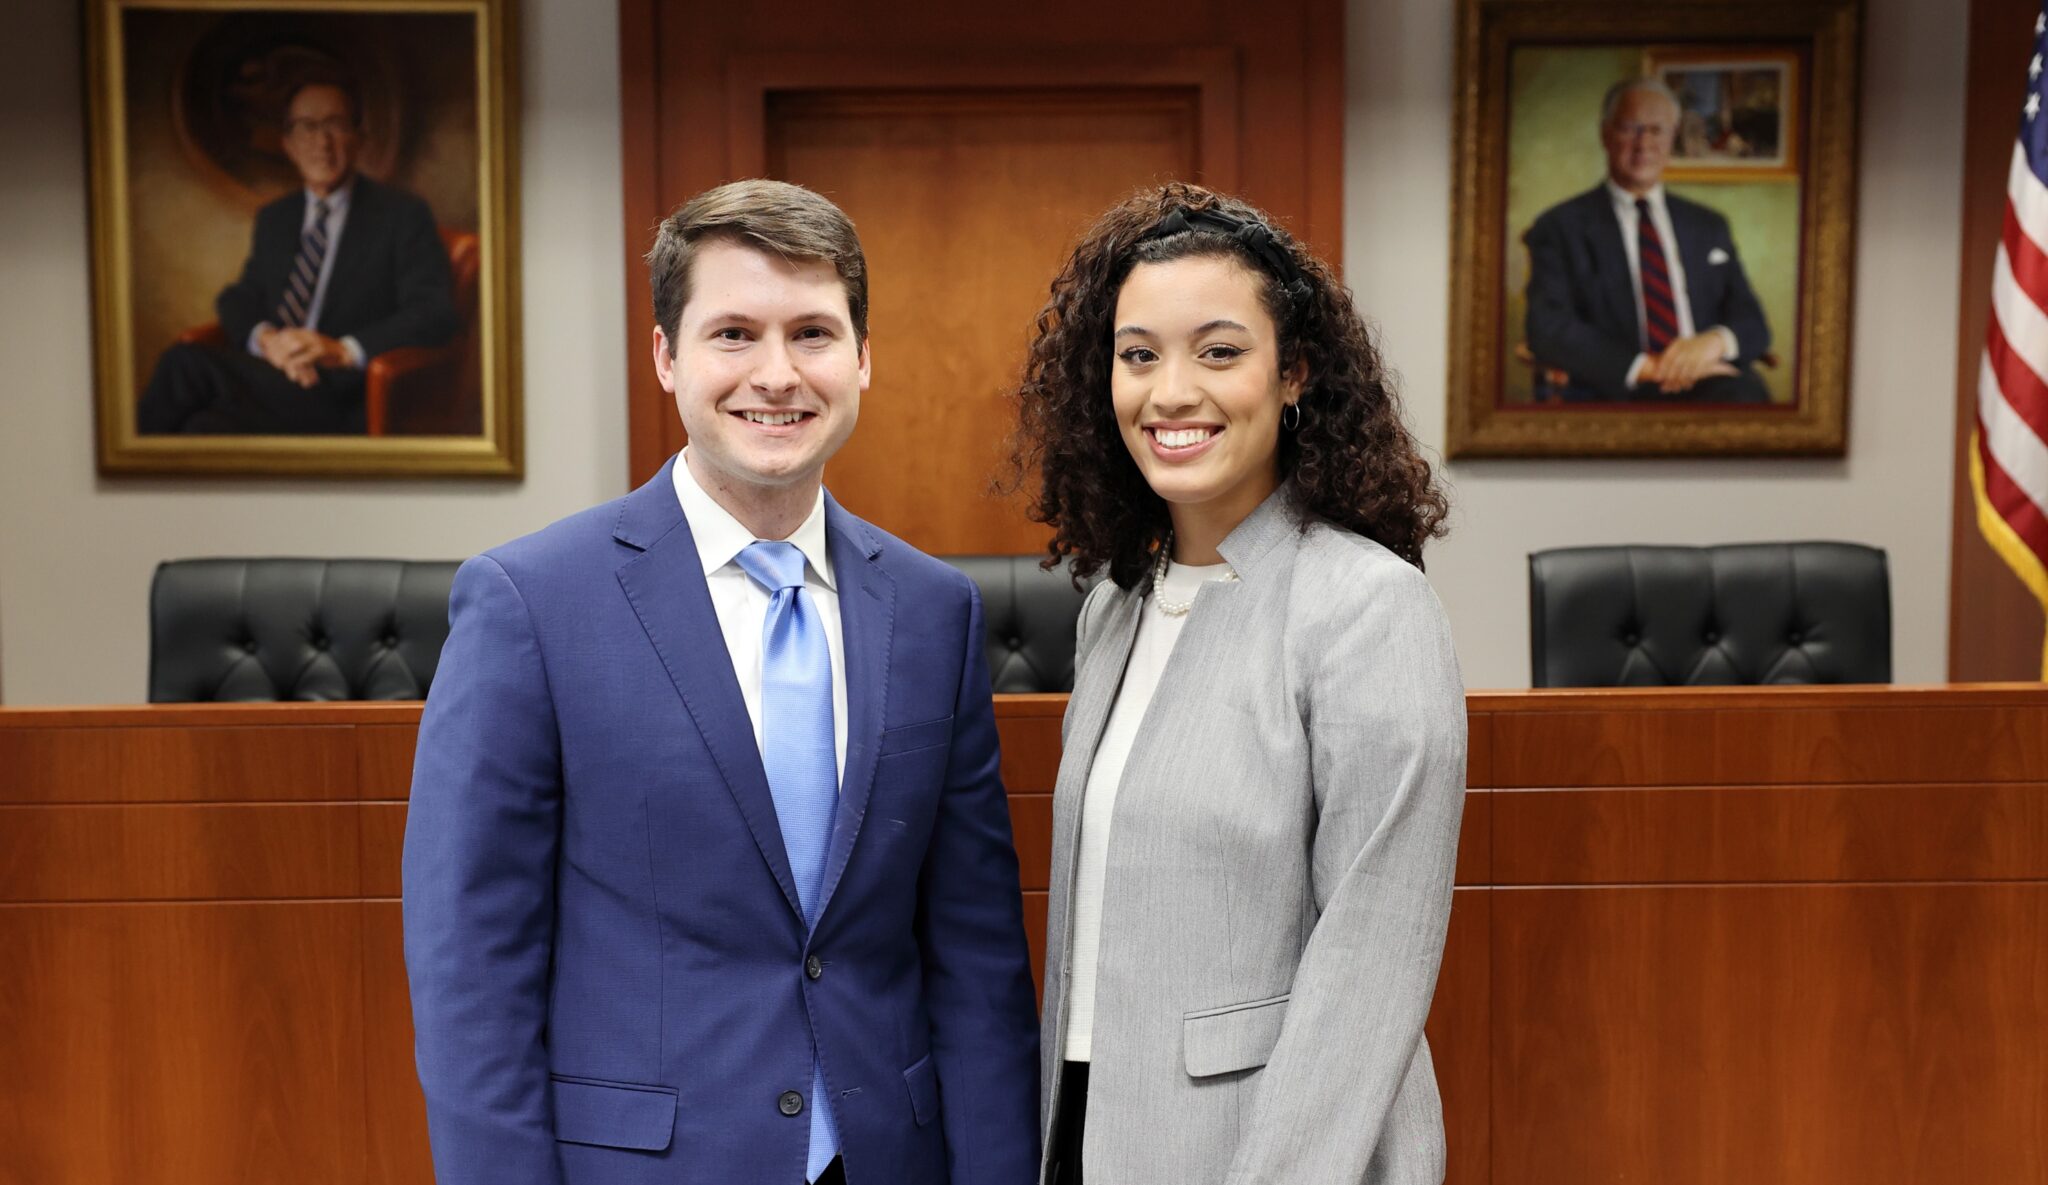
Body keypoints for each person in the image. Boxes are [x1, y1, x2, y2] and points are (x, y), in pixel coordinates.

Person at [403, 180, 1040, 1185]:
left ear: (864, 359)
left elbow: (977, 963)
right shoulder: (529, 604)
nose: (776, 375)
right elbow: (470, 979)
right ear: (666, 357)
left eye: (814, 334)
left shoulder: (932, 612)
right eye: (734, 333)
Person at [1010, 184, 1467, 1184]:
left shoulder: (1367, 608)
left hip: (1275, 1151)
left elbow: (1370, 965)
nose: (1170, 392)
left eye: (1217, 352)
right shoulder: (1114, 609)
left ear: (1292, 371)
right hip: (1090, 1132)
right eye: (1138, 356)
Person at [134, 71, 457, 434]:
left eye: (335, 125)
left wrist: (341, 349)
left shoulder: (401, 215)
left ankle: (121, 471)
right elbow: (240, 297)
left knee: (185, 364)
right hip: (274, 382)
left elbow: (435, 313)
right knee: (201, 428)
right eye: (307, 127)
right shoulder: (277, 218)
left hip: (344, 395)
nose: (322, 142)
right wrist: (268, 341)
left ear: (358, 138)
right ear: (287, 143)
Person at [1523, 76, 1773, 403]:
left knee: (1750, 404)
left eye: (1657, 130)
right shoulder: (1560, 226)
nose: (1644, 144)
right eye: (1630, 128)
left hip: (1707, 383)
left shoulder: (1708, 225)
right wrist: (1648, 367)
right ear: (1605, 134)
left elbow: (1752, 320)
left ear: (1673, 138)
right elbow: (1548, 325)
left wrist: (1714, 342)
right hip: (1611, 385)